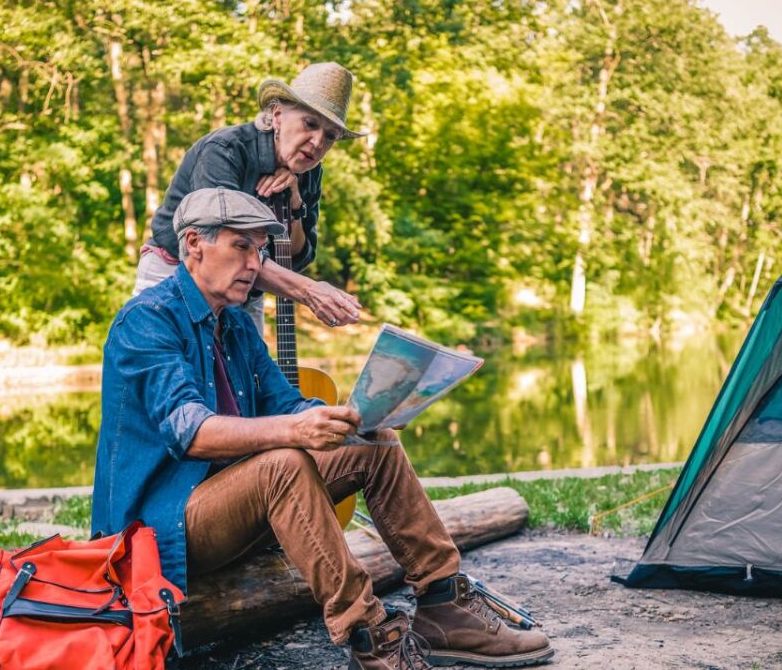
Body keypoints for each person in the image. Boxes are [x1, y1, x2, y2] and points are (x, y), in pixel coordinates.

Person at [92, 187, 554, 669]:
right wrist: (296, 430)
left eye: (260, 249)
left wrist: (350, 417)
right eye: (242, 246)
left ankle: (444, 603)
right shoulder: (146, 321)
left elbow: (287, 403)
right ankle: (370, 635)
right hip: (157, 527)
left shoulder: (235, 325)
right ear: (193, 244)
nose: (255, 263)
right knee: (283, 465)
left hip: (230, 504)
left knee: (377, 445)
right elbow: (191, 431)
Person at [133, 62, 364, 334]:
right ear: (277, 115)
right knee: (169, 369)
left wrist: (295, 206)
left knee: (248, 376)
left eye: (330, 136)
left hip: (245, 289)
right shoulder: (225, 149)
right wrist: (310, 291)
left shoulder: (310, 172)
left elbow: (295, 260)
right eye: (310, 123)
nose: (317, 142)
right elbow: (221, 249)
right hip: (175, 274)